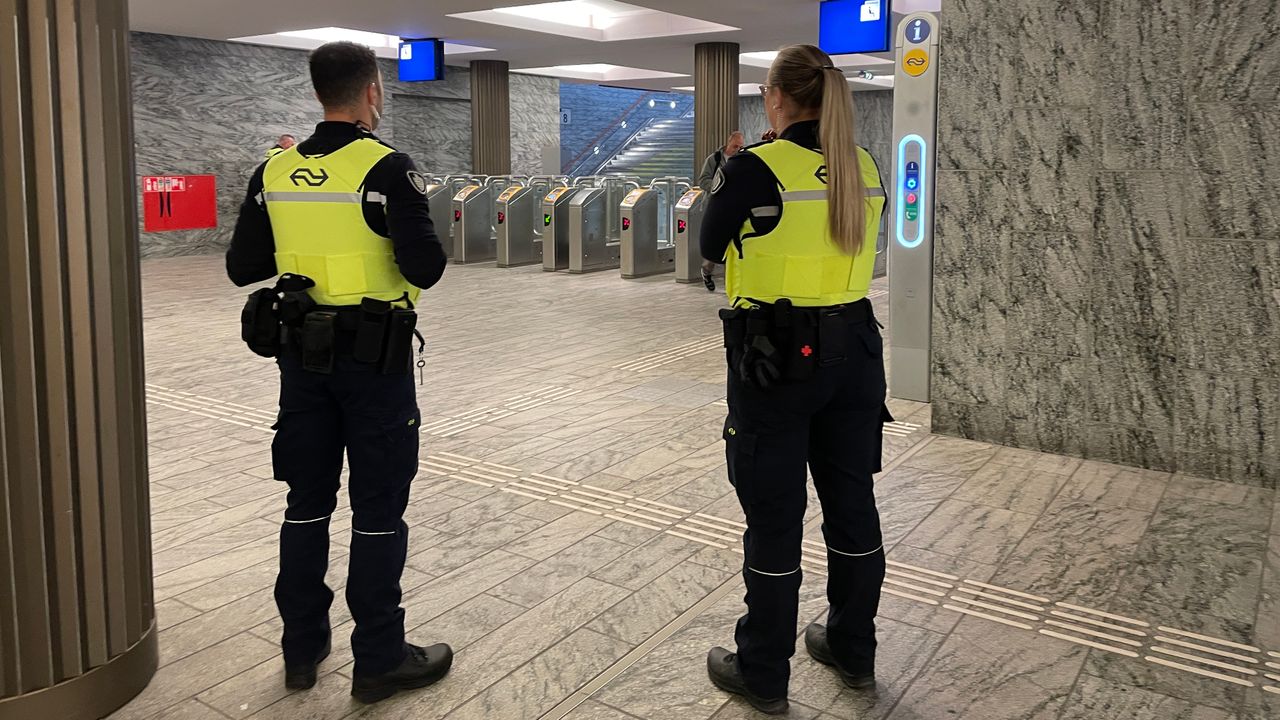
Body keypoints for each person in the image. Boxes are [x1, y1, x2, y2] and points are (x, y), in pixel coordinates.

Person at [226, 41, 452, 705]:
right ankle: (379, 657)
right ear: (373, 91)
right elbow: (426, 269)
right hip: (374, 364)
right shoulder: (386, 169)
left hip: (301, 360)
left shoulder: (272, 170)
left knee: (306, 503)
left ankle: (302, 649)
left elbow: (244, 265)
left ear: (319, 90)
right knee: (377, 508)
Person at [698, 44, 888, 715]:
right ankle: (852, 648)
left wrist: (729, 166)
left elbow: (709, 245)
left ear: (776, 97)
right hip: (857, 354)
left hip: (775, 362)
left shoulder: (754, 168)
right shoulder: (863, 166)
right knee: (852, 502)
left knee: (776, 517)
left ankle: (764, 670)